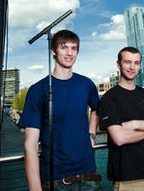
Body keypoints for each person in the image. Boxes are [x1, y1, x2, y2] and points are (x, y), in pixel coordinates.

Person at [19, 30, 102, 191]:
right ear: (53, 51)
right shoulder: (38, 90)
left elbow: (96, 108)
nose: (70, 53)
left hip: (89, 176)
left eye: (74, 48)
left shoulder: (86, 85)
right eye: (64, 47)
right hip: (56, 180)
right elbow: (30, 145)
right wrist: (35, 188)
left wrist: (91, 133)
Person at [98, 47, 144, 191]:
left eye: (136, 63)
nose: (132, 67)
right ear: (118, 64)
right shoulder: (109, 99)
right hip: (129, 182)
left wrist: (133, 125)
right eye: (127, 62)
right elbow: (119, 138)